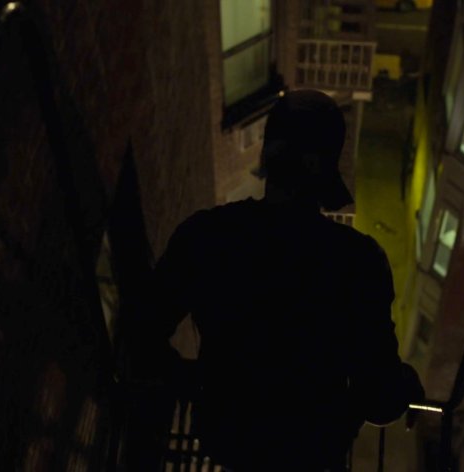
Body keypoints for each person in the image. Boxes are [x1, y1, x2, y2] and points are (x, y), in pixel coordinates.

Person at [137, 89, 424, 471]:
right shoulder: (358, 262)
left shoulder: (209, 235)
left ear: (268, 157)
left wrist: (194, 381)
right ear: (326, 169)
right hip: (312, 452)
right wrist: (403, 383)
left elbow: (143, 332)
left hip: (229, 440)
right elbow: (379, 400)